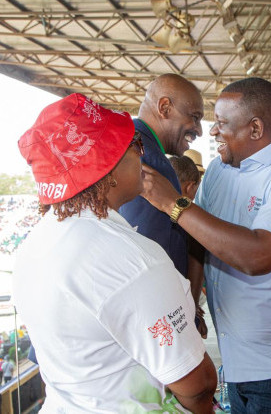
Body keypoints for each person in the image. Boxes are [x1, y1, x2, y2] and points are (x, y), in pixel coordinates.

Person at [140, 77, 271, 413]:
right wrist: (191, 308)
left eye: (221, 123)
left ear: (255, 128)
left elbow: (259, 255)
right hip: (237, 355)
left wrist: (173, 203)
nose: (212, 132)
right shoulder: (219, 170)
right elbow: (198, 240)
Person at [13, 94, 216, 413]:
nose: (142, 154)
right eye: (135, 144)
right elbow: (197, 384)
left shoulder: (34, 245)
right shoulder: (135, 261)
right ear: (107, 166)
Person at [119, 73, 204, 279]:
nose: (200, 130)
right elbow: (149, 259)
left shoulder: (128, 142)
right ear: (165, 108)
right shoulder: (151, 163)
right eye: (194, 117)